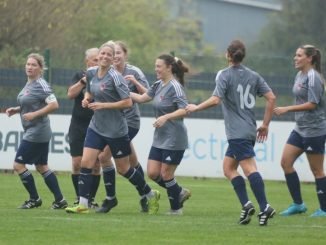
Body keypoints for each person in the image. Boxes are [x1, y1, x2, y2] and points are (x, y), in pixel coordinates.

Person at [186, 40, 276, 226]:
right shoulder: (253, 75)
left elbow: (215, 99)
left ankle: (265, 206)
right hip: (249, 128)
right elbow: (271, 97)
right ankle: (247, 205)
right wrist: (265, 124)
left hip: (238, 132)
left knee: (249, 168)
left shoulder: (224, 75)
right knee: (228, 168)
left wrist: (196, 108)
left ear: (228, 54)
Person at [65, 42, 160, 214]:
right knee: (86, 163)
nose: (105, 57)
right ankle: (83, 205)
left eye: (109, 55)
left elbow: (128, 102)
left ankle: (149, 193)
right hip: (96, 127)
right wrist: (87, 98)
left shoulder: (116, 77)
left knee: (124, 169)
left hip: (116, 130)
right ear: (99, 55)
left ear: (112, 59)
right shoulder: (92, 72)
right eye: (103, 53)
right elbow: (89, 90)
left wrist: (103, 105)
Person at [130, 54, 191, 215]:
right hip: (160, 137)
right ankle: (179, 191)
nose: (156, 69)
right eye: (155, 66)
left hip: (175, 137)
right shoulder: (158, 84)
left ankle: (176, 209)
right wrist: (122, 91)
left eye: (159, 66)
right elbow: (143, 98)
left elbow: (184, 110)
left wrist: (166, 117)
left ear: (169, 67)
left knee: (166, 174)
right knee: (152, 173)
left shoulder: (176, 86)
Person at [6, 53, 68, 209]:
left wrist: (34, 114)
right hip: (35, 131)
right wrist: (17, 109)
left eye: (34, 65)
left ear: (40, 68)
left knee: (18, 165)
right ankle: (60, 200)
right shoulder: (29, 84)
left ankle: (34, 199)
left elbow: (54, 105)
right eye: (28, 64)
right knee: (42, 166)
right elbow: (33, 103)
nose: (30, 67)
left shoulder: (41, 84)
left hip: (37, 131)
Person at [95, 40, 151, 213]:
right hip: (111, 123)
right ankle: (145, 196)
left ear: (125, 55)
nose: (116, 56)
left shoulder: (133, 72)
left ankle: (111, 198)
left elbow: (148, 94)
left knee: (104, 157)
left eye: (119, 53)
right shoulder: (106, 71)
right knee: (132, 162)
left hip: (129, 122)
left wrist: (132, 86)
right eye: (114, 53)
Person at [274, 44, 326, 217]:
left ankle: (324, 210)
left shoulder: (313, 77)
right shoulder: (299, 75)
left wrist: (287, 109)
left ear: (309, 58)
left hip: (314, 130)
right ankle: (298, 204)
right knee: (285, 163)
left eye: (299, 55)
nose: (295, 58)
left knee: (317, 171)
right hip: (300, 129)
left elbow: (313, 104)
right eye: (295, 55)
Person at [67, 47, 104, 208]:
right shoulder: (79, 76)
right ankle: (79, 197)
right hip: (78, 124)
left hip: (97, 124)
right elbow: (70, 94)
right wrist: (83, 81)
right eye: (95, 60)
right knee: (77, 162)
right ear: (87, 61)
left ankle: (90, 200)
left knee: (95, 164)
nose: (98, 62)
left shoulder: (103, 77)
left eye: (99, 59)